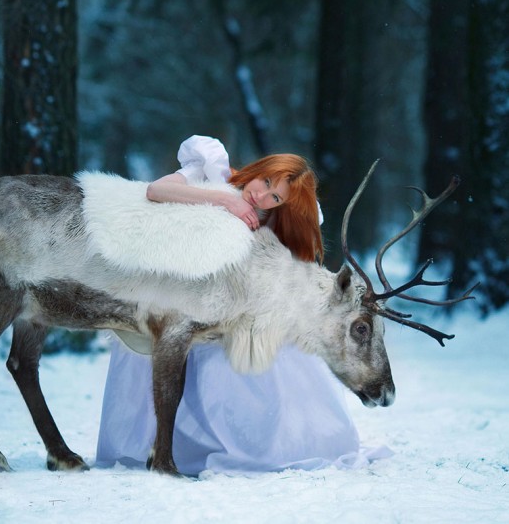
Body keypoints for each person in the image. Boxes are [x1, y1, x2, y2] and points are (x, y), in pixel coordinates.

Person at [96, 135, 390, 475]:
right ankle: (162, 444)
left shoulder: (272, 220)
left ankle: (267, 445)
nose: (261, 195)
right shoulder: (210, 173)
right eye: (265, 181)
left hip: (223, 313)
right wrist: (227, 203)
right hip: (172, 299)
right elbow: (155, 191)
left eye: (275, 196)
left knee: (271, 354)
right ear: (259, 169)